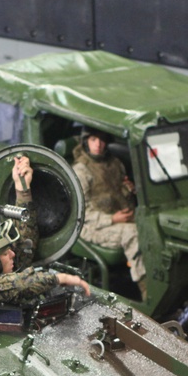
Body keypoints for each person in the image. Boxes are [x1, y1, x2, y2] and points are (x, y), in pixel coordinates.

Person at [0, 154, 90, 307]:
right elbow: (21, 283)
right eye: (5, 253)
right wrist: (60, 278)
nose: (12, 254)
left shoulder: (0, 273)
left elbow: (25, 242)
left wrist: (22, 189)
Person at [71, 127, 147, 299]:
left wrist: (130, 190)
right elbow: (80, 213)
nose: (98, 144)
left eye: (102, 140)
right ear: (85, 142)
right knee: (133, 234)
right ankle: (147, 290)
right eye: (93, 140)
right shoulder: (81, 170)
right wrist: (112, 219)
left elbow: (118, 194)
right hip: (92, 227)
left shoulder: (114, 163)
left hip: (123, 217)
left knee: (151, 229)